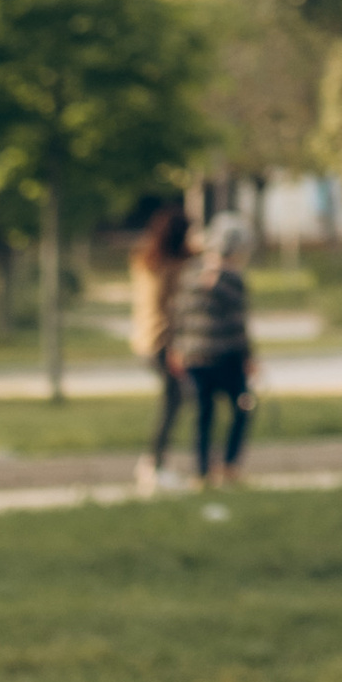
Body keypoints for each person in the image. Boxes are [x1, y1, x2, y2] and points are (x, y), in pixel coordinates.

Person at [174, 211, 259, 486]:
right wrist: (249, 356)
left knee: (203, 415)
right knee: (243, 406)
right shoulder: (232, 278)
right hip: (225, 356)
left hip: (194, 356)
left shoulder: (191, 273)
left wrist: (177, 347)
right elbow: (237, 323)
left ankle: (201, 472)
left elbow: (179, 314)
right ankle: (229, 466)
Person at [129, 199, 191, 490]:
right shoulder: (168, 267)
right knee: (175, 399)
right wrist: (174, 349)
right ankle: (154, 462)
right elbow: (170, 310)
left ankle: (157, 460)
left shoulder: (145, 260)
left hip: (145, 339)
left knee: (176, 399)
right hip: (162, 342)